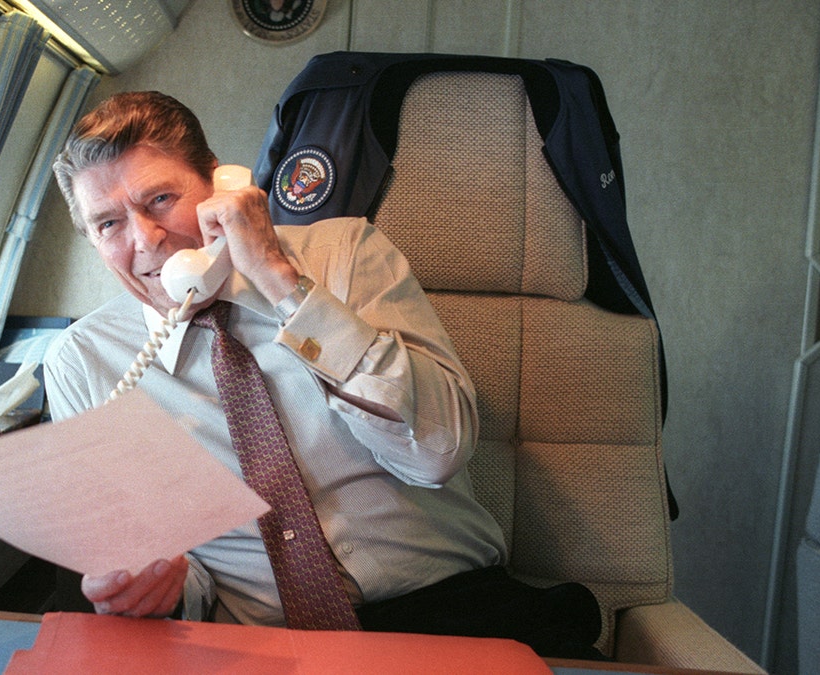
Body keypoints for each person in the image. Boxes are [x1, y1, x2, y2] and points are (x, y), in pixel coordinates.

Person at [43, 91, 604, 659]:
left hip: (448, 614)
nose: (144, 239)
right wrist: (153, 590)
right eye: (109, 224)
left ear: (220, 186)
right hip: (256, 648)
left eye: (161, 199)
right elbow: (179, 576)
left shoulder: (347, 254)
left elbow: (437, 453)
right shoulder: (84, 364)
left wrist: (282, 283)